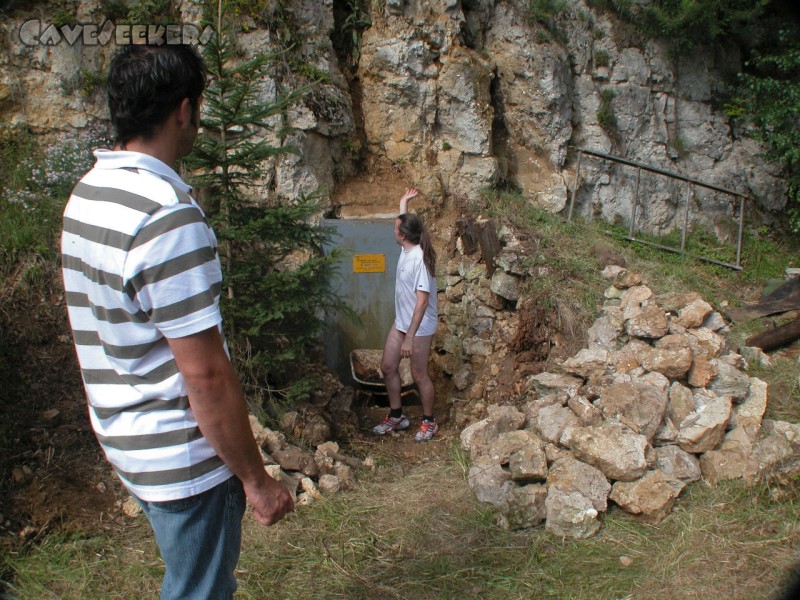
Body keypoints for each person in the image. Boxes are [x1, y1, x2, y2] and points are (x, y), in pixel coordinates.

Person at [60, 43, 293, 599]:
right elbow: (205, 375)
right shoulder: (166, 216)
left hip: (124, 439)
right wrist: (256, 482)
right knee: (198, 590)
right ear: (184, 110)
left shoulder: (89, 193)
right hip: (180, 459)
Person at [372, 188, 439, 442]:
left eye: (395, 228)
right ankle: (397, 416)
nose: (393, 231)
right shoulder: (407, 247)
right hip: (402, 322)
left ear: (401, 235)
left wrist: (410, 338)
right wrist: (403, 202)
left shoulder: (419, 259)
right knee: (388, 366)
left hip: (419, 327)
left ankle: (429, 421)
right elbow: (403, 222)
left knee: (419, 374)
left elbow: (422, 303)